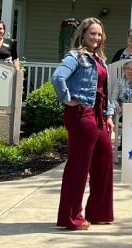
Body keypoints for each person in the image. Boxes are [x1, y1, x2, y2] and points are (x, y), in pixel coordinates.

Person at [51, 17, 114, 230]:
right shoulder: (75, 56)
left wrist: (108, 115)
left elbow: (105, 91)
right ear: (83, 34)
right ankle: (71, 218)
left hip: (98, 115)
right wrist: (68, 99)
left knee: (104, 160)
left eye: (99, 34)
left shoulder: (100, 59)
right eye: (92, 33)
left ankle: (98, 212)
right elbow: (58, 77)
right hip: (81, 113)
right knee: (79, 166)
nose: (96, 37)